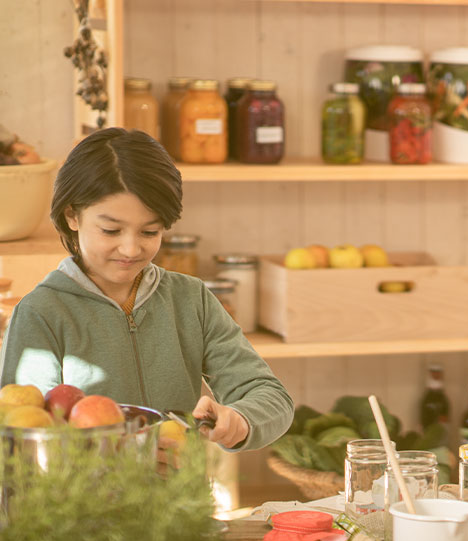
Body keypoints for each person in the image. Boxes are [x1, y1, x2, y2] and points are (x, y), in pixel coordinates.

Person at [0, 127, 293, 451]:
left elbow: (271, 397)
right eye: (111, 230)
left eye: (149, 231)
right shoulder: (41, 314)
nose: (130, 249)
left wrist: (240, 419)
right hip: (82, 501)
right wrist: (129, 456)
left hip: (180, 501)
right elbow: (22, 441)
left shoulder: (190, 299)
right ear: (72, 215)